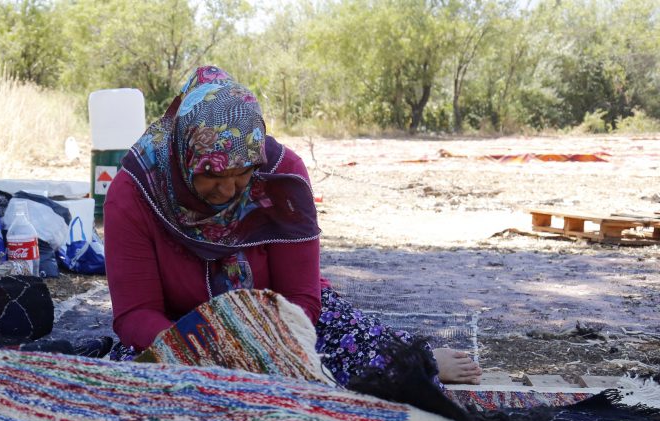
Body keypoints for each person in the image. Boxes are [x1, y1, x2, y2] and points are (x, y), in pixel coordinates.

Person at [104, 66, 481, 385]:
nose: (229, 190)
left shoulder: (281, 175)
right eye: (211, 175)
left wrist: (260, 346)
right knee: (139, 384)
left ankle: (417, 361)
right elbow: (135, 312)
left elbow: (301, 297)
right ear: (183, 157)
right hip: (179, 328)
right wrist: (205, 350)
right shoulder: (136, 191)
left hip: (279, 321)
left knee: (364, 365)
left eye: (242, 174)